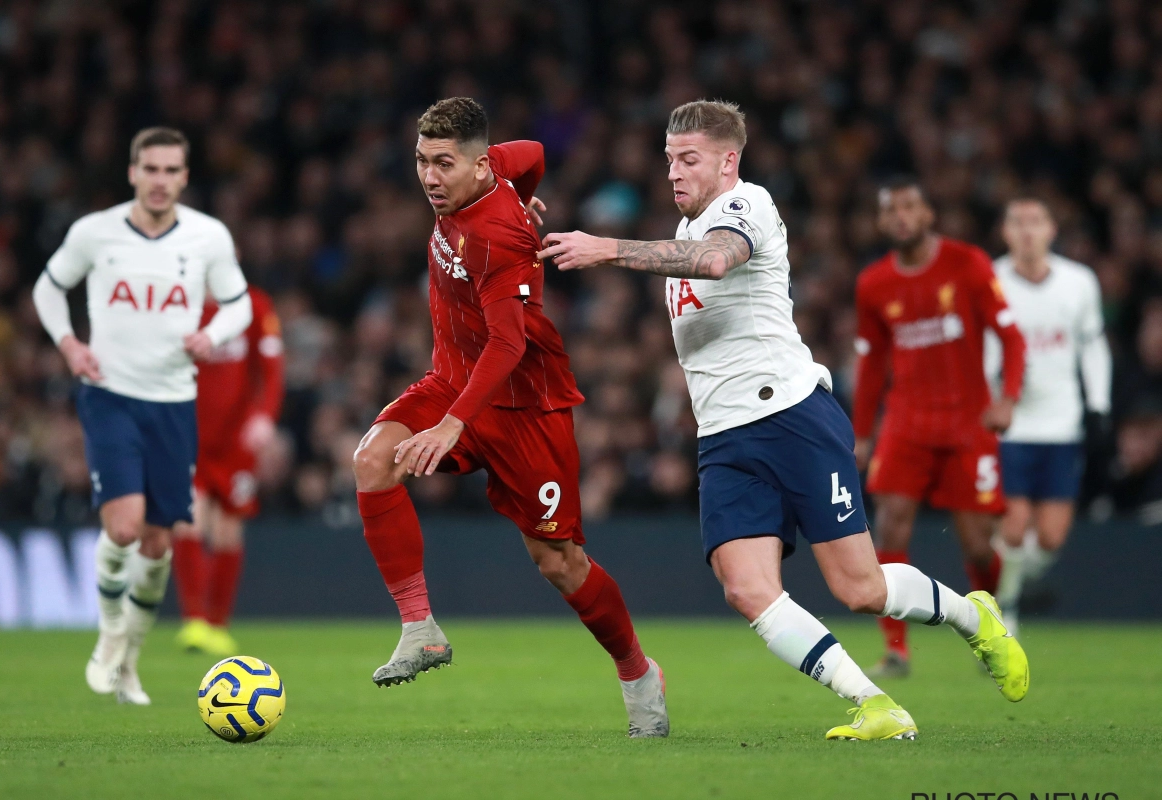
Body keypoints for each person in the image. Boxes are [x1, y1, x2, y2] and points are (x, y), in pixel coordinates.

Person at [538, 99, 1028, 741]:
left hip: (790, 417)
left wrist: (608, 249)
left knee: (859, 587)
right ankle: (874, 703)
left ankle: (975, 619)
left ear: (728, 161)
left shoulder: (749, 206)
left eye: (689, 160)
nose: (675, 174)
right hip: (723, 437)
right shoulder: (681, 234)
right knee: (744, 588)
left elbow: (717, 261)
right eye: (669, 162)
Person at [350, 97, 668, 738]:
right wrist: (524, 190)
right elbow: (537, 155)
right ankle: (421, 629)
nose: (430, 178)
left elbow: (509, 345)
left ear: (472, 166)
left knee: (559, 564)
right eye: (422, 162)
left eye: (443, 164)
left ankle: (637, 672)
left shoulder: (494, 236)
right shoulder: (493, 166)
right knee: (372, 459)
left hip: (525, 407)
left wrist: (451, 424)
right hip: (454, 378)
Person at [31, 127, 253, 704]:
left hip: (174, 402)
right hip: (110, 395)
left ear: (184, 177)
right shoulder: (95, 232)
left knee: (158, 543)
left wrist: (211, 334)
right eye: (149, 169)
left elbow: (240, 304)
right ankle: (109, 636)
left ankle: (130, 659)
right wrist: (68, 345)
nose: (159, 181)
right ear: (132, 173)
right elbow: (48, 289)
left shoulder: (208, 237)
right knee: (124, 528)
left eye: (170, 171)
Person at [852, 178, 1028, 679]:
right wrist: (861, 434)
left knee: (976, 544)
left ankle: (991, 627)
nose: (901, 217)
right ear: (882, 222)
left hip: (966, 422)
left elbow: (1012, 338)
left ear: (928, 213)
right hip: (906, 422)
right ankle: (895, 650)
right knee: (890, 523)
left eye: (910, 206)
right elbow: (870, 365)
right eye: (891, 209)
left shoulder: (967, 264)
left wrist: (1008, 397)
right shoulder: (873, 284)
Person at [985, 198, 1111, 635]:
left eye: (1035, 222)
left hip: (1062, 421)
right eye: (1017, 222)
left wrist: (1098, 405)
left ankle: (1012, 587)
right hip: (1011, 423)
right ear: (1005, 232)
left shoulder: (1078, 283)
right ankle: (1008, 616)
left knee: (1052, 537)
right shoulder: (992, 280)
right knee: (1015, 526)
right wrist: (987, 397)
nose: (1026, 231)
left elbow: (1093, 346)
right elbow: (981, 348)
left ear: (1051, 230)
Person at [172, 286, 285, 655]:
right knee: (188, 518)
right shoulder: (178, 303)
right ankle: (194, 620)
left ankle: (218, 624)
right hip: (188, 434)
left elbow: (271, 366)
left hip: (236, 439)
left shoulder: (253, 305)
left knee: (227, 529)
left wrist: (264, 418)